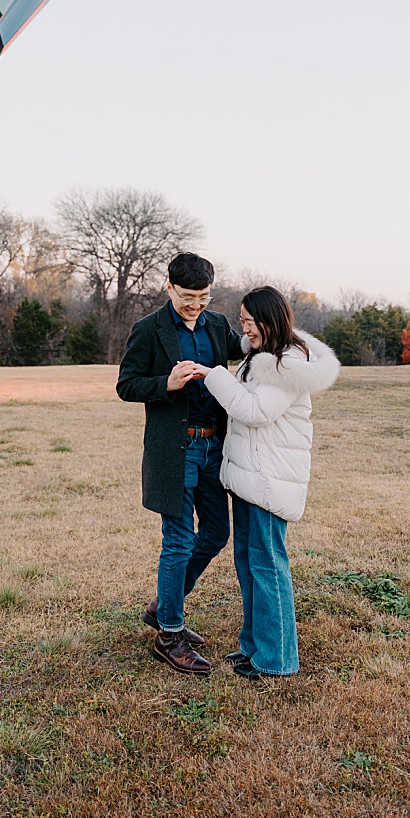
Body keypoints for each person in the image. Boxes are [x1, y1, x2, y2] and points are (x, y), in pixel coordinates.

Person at [192, 286, 339, 679]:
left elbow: (255, 411)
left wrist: (214, 375)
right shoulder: (264, 354)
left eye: (249, 322)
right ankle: (253, 647)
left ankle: (277, 660)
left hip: (269, 481)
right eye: (241, 321)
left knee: (267, 566)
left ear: (269, 321)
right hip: (250, 476)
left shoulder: (285, 364)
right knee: (248, 563)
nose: (244, 330)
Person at [115, 252, 245, 676]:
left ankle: (162, 605)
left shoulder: (217, 325)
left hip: (214, 448)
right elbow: (126, 384)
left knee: (215, 534)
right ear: (168, 287)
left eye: (203, 297)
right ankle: (170, 631)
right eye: (188, 296)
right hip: (175, 450)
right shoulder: (148, 330)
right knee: (178, 540)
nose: (195, 305)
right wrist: (165, 384)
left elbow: (247, 351)